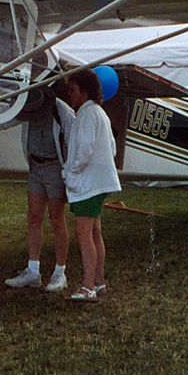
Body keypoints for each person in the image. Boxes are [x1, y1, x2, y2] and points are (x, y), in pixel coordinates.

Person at [4, 82, 76, 293]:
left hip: (54, 167)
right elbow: (4, 121)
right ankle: (33, 271)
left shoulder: (61, 110)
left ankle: (59, 273)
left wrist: (69, 173)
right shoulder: (25, 106)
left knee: (57, 220)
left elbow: (73, 139)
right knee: (34, 217)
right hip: (35, 167)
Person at [62, 68, 121, 302]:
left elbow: (84, 151)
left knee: (84, 233)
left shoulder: (87, 115)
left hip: (89, 184)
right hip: (99, 182)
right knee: (95, 232)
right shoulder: (100, 113)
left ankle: (87, 286)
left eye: (73, 90)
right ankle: (99, 281)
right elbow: (113, 149)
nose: (70, 95)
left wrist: (70, 171)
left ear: (85, 91)